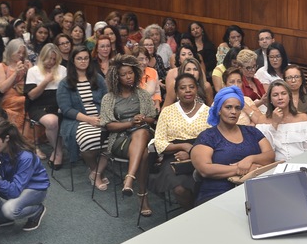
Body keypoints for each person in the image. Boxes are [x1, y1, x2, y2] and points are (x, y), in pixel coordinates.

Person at [190, 85, 275, 205]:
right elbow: (205, 169)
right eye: (228, 107)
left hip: (254, 190)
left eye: (237, 108)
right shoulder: (208, 136)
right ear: (219, 110)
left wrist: (250, 159)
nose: (233, 112)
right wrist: (242, 169)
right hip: (217, 193)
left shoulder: (252, 131)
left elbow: (270, 155)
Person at [99, 54, 157, 217]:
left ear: (136, 73)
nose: (128, 77)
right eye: (123, 74)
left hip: (144, 134)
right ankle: (142, 194)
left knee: (142, 132)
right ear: (116, 77)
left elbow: (152, 118)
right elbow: (108, 125)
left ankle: (129, 179)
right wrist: (131, 123)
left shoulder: (142, 94)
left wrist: (142, 119)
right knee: (143, 153)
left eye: (130, 73)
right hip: (120, 139)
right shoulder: (109, 98)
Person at [152, 73, 211, 208]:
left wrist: (192, 152)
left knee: (207, 182)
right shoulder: (167, 112)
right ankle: (193, 212)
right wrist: (183, 146)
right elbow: (159, 142)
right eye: (183, 88)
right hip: (175, 157)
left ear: (197, 89)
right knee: (180, 189)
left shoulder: (208, 111)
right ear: (177, 92)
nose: (188, 90)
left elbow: (213, 140)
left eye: (191, 87)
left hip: (203, 154)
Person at [57, 46, 109, 190]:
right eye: (79, 58)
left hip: (100, 118)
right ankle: (95, 169)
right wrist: (88, 119)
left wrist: (103, 115)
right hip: (77, 121)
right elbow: (66, 109)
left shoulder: (98, 78)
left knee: (113, 139)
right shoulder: (65, 83)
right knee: (88, 141)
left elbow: (107, 99)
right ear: (73, 61)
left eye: (86, 58)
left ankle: (96, 173)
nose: (83, 61)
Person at [0, 118, 49, 231]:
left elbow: (14, 192)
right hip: (15, 184)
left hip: (35, 189)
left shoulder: (25, 157)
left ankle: (37, 210)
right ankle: (4, 218)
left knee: (9, 210)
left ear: (6, 138)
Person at [25, 43, 66, 168]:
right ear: (42, 57)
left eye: (54, 59)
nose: (51, 62)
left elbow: (67, 91)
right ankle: (58, 151)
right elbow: (32, 96)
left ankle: (56, 151)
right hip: (38, 106)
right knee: (52, 122)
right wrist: (45, 81)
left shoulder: (62, 70)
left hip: (59, 105)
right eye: (49, 59)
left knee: (62, 119)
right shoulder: (33, 71)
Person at [256, 80, 307, 161]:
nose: (280, 98)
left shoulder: (303, 118)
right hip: (274, 165)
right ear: (270, 99)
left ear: (290, 97)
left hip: (301, 163)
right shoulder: (262, 120)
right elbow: (266, 152)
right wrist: (274, 124)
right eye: (275, 95)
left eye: (283, 93)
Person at [0, 38, 33, 134]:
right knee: (25, 102)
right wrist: (15, 73)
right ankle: (20, 135)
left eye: (23, 53)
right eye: (18, 52)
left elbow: (34, 83)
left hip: (26, 94)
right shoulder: (1, 66)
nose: (21, 55)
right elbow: (2, 89)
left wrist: (28, 72)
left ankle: (27, 136)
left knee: (31, 102)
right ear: (11, 51)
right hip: (9, 98)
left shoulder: (27, 64)